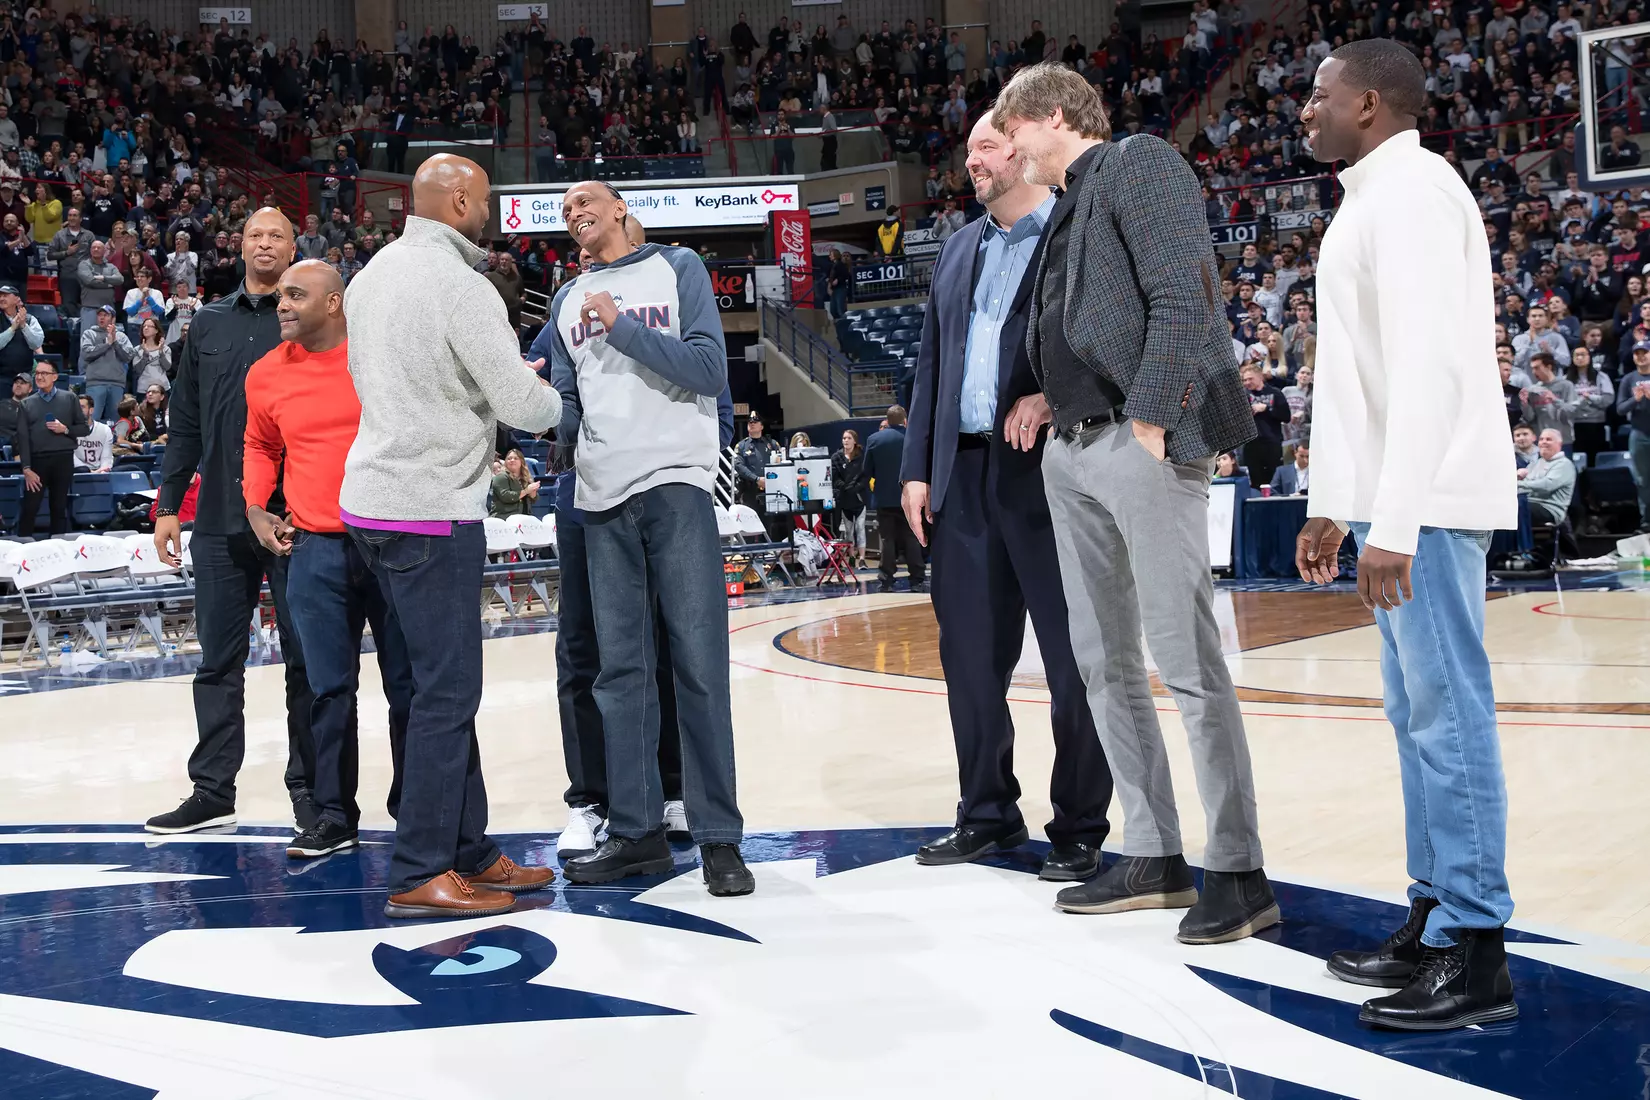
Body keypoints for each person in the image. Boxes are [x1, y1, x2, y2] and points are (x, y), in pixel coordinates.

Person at [993, 63, 1274, 943]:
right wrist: (1046, 393)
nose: (1007, 149)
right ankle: (1153, 853)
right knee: (1101, 663)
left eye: (1013, 131)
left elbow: (1184, 297)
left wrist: (1151, 410)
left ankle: (1238, 869)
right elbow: (1087, 323)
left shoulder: (1140, 162)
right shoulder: (1068, 204)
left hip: (1138, 435)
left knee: (1185, 658)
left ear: (1049, 116)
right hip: (1074, 447)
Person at [1294, 40, 1519, 1031]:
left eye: (1320, 96)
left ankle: (1476, 949)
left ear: (1371, 105)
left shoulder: (1419, 191)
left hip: (1426, 504)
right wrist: (1330, 497)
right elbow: (1355, 378)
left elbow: (1428, 370)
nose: (1306, 109)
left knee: (1449, 715)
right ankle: (1433, 919)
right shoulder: (1370, 196)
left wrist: (1398, 515)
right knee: (1412, 714)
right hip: (1397, 499)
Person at [342, 154, 562, 918]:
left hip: (371, 505)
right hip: (431, 509)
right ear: (463, 200)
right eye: (489, 197)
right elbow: (525, 408)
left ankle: (468, 851)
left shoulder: (370, 276)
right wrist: (561, 396)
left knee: (428, 689)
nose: (491, 208)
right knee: (448, 695)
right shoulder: (462, 286)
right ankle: (420, 869)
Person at [899, 113, 1114, 880]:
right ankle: (986, 813)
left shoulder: (1076, 231)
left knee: (1073, 662)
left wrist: (1057, 396)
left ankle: (1082, 822)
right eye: (966, 151)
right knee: (971, 663)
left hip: (1050, 474)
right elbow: (931, 365)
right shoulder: (959, 246)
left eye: (985, 147)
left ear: (1023, 149)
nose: (972, 162)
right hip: (962, 476)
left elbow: (1116, 335)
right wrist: (918, 467)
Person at [546, 178, 753, 897]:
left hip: (674, 484)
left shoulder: (678, 268)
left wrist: (624, 327)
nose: (575, 214)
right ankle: (635, 834)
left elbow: (707, 369)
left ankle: (719, 837)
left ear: (622, 211)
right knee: (620, 673)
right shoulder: (564, 302)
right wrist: (544, 409)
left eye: (586, 203)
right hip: (600, 497)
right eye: (566, 209)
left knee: (697, 662)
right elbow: (567, 402)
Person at [145, 208, 319, 837]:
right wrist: (168, 505)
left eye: (278, 234)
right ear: (240, 245)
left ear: (295, 246)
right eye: (256, 235)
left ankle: (313, 795)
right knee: (218, 662)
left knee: (308, 663)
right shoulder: (209, 323)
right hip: (219, 520)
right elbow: (185, 421)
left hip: (296, 519)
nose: (266, 243)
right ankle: (212, 792)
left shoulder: (314, 323)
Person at [243, 260, 415, 861]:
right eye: (281, 295)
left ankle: (414, 811)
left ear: (336, 303)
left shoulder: (378, 358)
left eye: (296, 295)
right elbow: (260, 444)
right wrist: (256, 507)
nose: (282, 304)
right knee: (326, 690)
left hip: (391, 541)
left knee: (409, 688)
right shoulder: (265, 374)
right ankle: (333, 815)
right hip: (314, 548)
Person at [15, 359, 89, 535]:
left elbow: (84, 428)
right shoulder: (26, 403)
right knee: (30, 508)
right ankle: (21, 550)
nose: (39, 377)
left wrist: (66, 429)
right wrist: (26, 468)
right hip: (37, 463)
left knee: (59, 507)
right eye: (37, 373)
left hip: (63, 459)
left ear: (55, 377)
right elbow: (22, 439)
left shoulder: (69, 398)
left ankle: (58, 548)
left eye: (44, 373)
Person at [865, 405, 923, 592]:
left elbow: (867, 470)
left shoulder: (874, 440)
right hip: (910, 495)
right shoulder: (913, 438)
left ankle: (886, 580)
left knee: (887, 539)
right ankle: (917, 580)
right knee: (912, 538)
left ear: (887, 421)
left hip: (884, 498)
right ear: (905, 420)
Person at [79, 305, 133, 421]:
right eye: (99, 315)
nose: (101, 318)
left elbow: (128, 357)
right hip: (96, 383)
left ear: (113, 319)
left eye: (105, 315)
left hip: (116, 384)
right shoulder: (89, 334)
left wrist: (114, 343)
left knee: (114, 421)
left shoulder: (121, 337)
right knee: (92, 419)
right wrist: (107, 344)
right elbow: (86, 354)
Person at [1619, 340, 1650, 533]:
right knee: (1643, 480)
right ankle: (1646, 522)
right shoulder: (1628, 379)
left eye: (1644, 352)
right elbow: (1620, 409)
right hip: (1639, 434)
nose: (1641, 356)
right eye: (1637, 353)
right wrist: (1635, 399)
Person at [830, 428, 867, 567]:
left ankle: (862, 558)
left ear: (854, 441)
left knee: (860, 528)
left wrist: (856, 488)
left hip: (859, 499)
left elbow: (865, 476)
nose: (846, 440)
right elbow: (835, 478)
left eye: (849, 438)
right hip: (844, 500)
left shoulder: (862, 456)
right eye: (844, 438)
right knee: (849, 530)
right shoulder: (836, 457)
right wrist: (845, 487)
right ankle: (851, 556)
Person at [733, 410, 780, 513]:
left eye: (755, 422)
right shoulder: (741, 446)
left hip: (770, 490)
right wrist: (757, 479)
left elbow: (780, 464)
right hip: (750, 491)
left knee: (769, 524)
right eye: (750, 423)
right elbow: (738, 466)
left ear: (762, 426)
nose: (752, 424)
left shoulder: (772, 444)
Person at [0, 282, 43, 382]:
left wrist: (24, 326)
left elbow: (36, 344)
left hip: (25, 376)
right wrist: (12, 328)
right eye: (0, 296)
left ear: (17, 299)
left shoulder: (30, 319)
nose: (1, 299)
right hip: (2, 377)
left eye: (5, 295)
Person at [490, 447, 538, 517]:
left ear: (521, 461)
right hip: (503, 517)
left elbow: (533, 499)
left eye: (516, 458)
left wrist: (533, 492)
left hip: (524, 517)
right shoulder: (501, 477)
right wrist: (526, 491)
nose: (512, 460)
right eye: (509, 458)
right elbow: (506, 496)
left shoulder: (527, 477)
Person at [73, 394, 115, 472]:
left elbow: (107, 457)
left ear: (91, 410)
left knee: (131, 468)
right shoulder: (69, 429)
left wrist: (102, 471)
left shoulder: (105, 430)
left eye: (82, 407)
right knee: (82, 470)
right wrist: (90, 472)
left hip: (100, 470)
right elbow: (72, 458)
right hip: (79, 471)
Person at [131, 318, 171, 393]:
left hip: (162, 388)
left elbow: (167, 367)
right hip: (143, 389)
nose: (146, 328)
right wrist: (145, 354)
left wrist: (161, 352)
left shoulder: (165, 348)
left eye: (149, 326)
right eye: (144, 326)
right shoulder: (137, 349)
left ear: (156, 330)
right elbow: (137, 370)